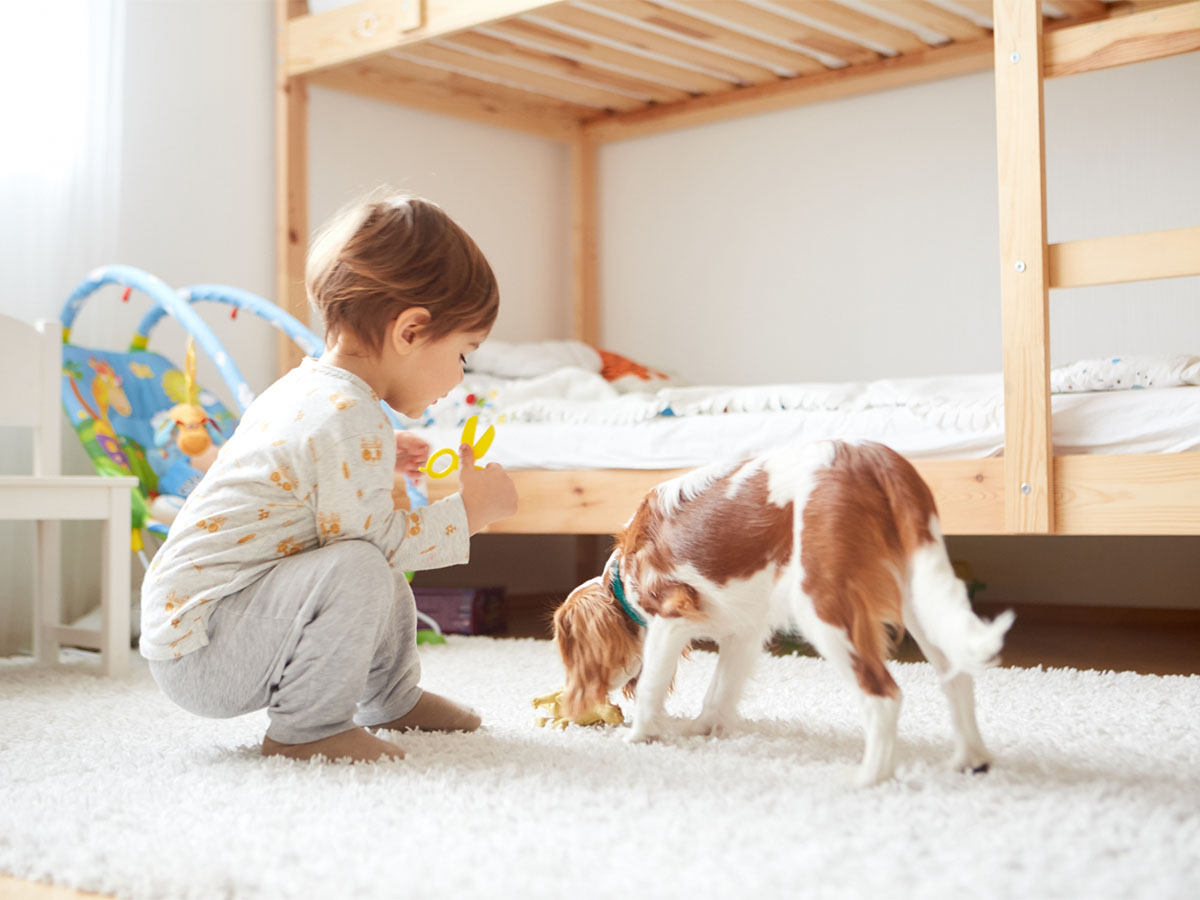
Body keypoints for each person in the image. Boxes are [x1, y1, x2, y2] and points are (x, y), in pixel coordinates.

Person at [140, 192, 518, 762]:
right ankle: (308, 728)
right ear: (410, 332)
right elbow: (368, 540)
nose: (461, 375)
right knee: (363, 559)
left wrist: (380, 457)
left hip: (200, 630)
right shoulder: (347, 415)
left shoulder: (311, 391)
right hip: (208, 650)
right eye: (465, 352)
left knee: (366, 560)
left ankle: (390, 699)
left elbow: (293, 479)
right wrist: (471, 513)